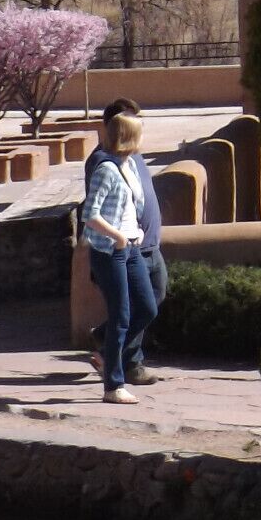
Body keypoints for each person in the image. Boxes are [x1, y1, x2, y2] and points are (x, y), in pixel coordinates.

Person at [83, 99, 163, 383]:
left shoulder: (132, 159)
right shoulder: (103, 164)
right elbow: (93, 213)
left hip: (144, 243)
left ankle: (108, 347)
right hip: (120, 251)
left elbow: (134, 202)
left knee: (148, 304)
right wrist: (119, 237)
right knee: (125, 312)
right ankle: (119, 375)